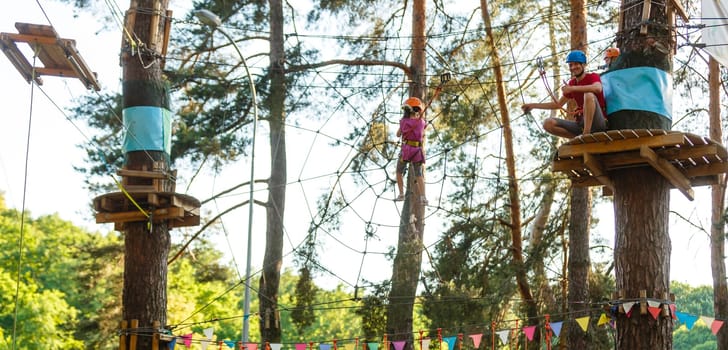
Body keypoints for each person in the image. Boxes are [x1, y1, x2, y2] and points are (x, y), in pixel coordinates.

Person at [522, 50, 607, 138]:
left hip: (598, 123)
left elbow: (597, 88)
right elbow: (557, 104)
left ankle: (586, 135)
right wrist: (533, 105)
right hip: (581, 124)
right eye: (571, 65)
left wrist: (572, 89)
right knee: (548, 123)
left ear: (584, 65)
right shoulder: (572, 83)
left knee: (589, 95)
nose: (573, 67)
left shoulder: (592, 77)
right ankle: (577, 139)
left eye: (576, 64)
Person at [395, 96, 427, 205]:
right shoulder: (422, 122)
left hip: (406, 150)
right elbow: (422, 134)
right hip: (417, 151)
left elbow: (398, 134)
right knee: (419, 175)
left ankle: (401, 194)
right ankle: (423, 197)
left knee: (399, 172)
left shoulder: (404, 121)